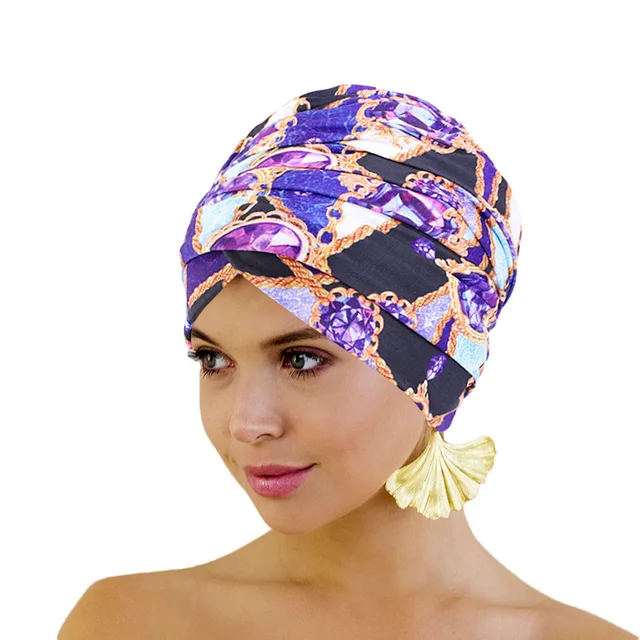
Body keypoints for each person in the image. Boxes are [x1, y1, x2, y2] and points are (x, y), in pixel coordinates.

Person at [58, 84, 637, 639]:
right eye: (213, 359)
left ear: (434, 367)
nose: (246, 423)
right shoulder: (127, 626)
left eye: (301, 359)